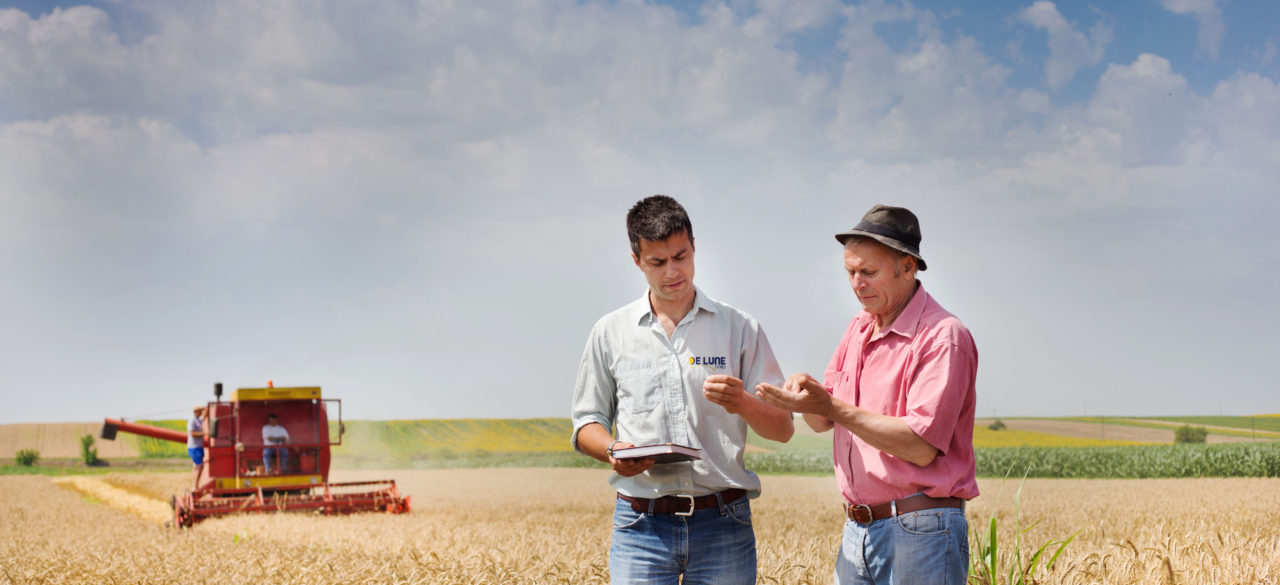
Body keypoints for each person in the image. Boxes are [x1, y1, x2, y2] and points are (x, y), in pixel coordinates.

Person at [570, 195, 795, 585]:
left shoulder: (740, 328)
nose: (673, 271)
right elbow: (586, 421)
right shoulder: (610, 332)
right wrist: (612, 450)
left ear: (694, 248)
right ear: (636, 261)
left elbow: (783, 429)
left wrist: (743, 402)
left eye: (682, 256)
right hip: (640, 524)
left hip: (724, 524)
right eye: (658, 262)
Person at [757, 204, 979, 585]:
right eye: (851, 272)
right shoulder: (859, 329)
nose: (857, 283)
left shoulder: (943, 337)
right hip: (857, 530)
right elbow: (823, 420)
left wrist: (832, 406)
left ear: (908, 267)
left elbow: (920, 446)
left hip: (920, 528)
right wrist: (805, 399)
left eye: (869, 272)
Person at [187, 405, 206, 490]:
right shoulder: (192, 421)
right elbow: (192, 434)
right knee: (199, 467)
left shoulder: (198, 420)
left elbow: (204, 417)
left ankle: (196, 486)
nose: (202, 412)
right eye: (200, 411)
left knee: (197, 466)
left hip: (198, 447)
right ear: (196, 411)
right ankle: (195, 487)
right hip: (194, 447)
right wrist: (205, 434)